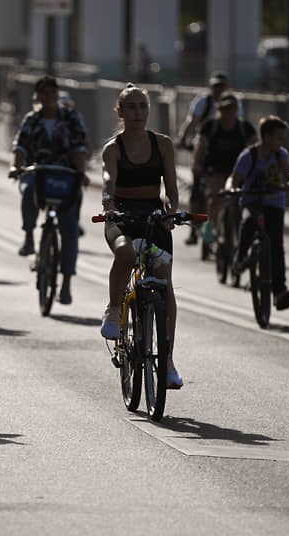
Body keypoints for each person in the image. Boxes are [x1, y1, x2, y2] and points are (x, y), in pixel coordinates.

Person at [99, 83, 183, 388]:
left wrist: (172, 210)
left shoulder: (162, 144)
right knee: (126, 254)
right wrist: (109, 204)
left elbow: (171, 187)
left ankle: (168, 361)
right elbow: (109, 180)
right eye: (131, 107)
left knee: (164, 280)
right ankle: (115, 309)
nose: (137, 112)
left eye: (142, 106)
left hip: (153, 215)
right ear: (120, 112)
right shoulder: (113, 148)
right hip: (122, 215)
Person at [11, 75, 88, 305]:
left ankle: (65, 284)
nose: (49, 97)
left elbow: (79, 146)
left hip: (65, 176)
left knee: (70, 228)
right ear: (38, 96)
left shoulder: (72, 118)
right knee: (28, 190)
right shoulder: (32, 119)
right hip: (38, 173)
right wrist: (16, 166)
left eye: (52, 92)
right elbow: (21, 146)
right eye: (43, 93)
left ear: (58, 94)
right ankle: (29, 237)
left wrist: (81, 173)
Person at [226, 115, 289, 310]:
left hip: (274, 204)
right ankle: (240, 259)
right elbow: (234, 179)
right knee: (249, 223)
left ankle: (279, 291)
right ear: (265, 136)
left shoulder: (280, 155)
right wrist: (232, 188)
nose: (281, 142)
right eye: (278, 138)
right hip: (253, 201)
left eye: (283, 138)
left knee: (276, 245)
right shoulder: (248, 155)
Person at [177, 71, 243, 245]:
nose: (218, 90)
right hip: (205, 150)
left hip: (229, 152)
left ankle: (235, 226)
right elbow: (192, 121)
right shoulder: (203, 103)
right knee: (197, 191)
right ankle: (193, 230)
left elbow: (244, 131)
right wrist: (183, 139)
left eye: (222, 86)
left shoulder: (236, 102)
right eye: (215, 86)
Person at [191, 92, 257, 247]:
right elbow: (200, 147)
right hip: (215, 169)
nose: (228, 112)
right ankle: (210, 226)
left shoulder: (244, 127)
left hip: (238, 170)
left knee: (241, 201)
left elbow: (256, 148)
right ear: (219, 109)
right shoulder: (210, 126)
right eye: (225, 109)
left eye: (232, 108)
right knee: (217, 197)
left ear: (236, 109)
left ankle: (239, 232)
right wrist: (197, 164)